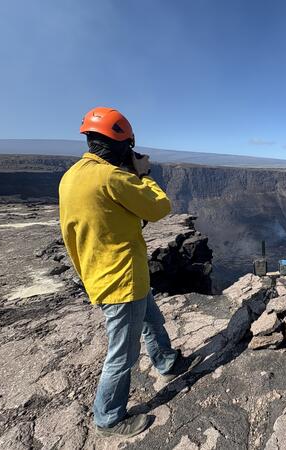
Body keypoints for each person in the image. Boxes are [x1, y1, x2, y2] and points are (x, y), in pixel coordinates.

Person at [59, 107, 200, 438]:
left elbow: (73, 232)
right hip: (121, 278)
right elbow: (159, 207)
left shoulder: (71, 176)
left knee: (152, 319)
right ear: (122, 145)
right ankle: (108, 417)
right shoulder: (112, 177)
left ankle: (167, 361)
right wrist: (144, 174)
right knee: (122, 355)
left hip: (102, 272)